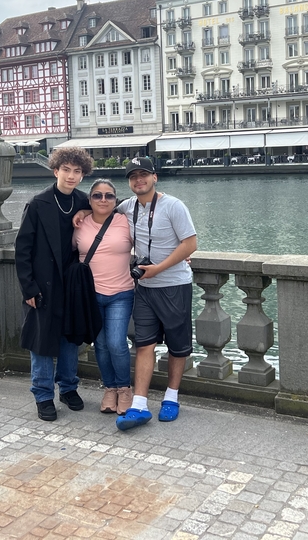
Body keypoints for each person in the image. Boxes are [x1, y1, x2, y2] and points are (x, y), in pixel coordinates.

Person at [115, 157, 197, 431]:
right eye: (133, 176)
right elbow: (98, 210)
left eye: (144, 175)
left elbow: (190, 243)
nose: (138, 180)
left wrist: (158, 268)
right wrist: (81, 213)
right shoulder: (127, 207)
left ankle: (171, 398)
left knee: (177, 345)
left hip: (174, 285)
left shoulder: (173, 206)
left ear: (154, 177)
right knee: (144, 344)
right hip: (145, 289)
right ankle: (139, 405)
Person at [15, 146, 94, 421]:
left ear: (82, 175)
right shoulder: (38, 204)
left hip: (72, 283)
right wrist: (29, 288)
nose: (71, 176)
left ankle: (69, 388)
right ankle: (43, 394)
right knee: (42, 342)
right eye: (67, 170)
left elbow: (113, 210)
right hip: (43, 285)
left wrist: (85, 213)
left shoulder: (85, 202)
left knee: (70, 339)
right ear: (55, 170)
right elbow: (22, 249)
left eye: (77, 171)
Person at [72, 179, 134, 415]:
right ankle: (109, 388)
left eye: (109, 196)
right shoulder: (79, 224)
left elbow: (150, 241)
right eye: (97, 196)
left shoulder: (125, 222)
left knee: (117, 343)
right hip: (90, 295)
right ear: (89, 200)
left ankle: (124, 389)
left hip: (121, 292)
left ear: (116, 200)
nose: (103, 200)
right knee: (100, 345)